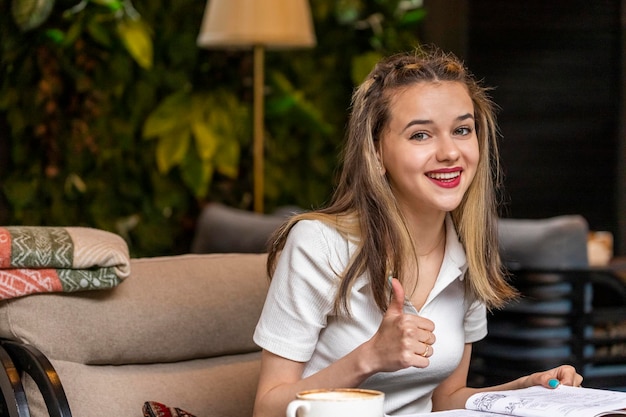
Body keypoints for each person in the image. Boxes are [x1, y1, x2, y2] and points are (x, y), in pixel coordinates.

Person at [252, 46, 583, 417]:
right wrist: (370, 357)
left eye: (461, 130)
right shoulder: (319, 244)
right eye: (421, 135)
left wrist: (524, 390)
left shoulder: (468, 252)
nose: (450, 153)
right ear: (376, 153)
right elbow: (266, 408)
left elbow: (446, 400)